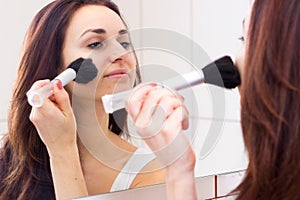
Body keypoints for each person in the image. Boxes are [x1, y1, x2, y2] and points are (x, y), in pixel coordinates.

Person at [0, 0, 196, 199]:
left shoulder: (147, 175)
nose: (121, 54)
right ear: (54, 66)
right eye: (95, 44)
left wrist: (63, 151)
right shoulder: (8, 162)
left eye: (124, 43)